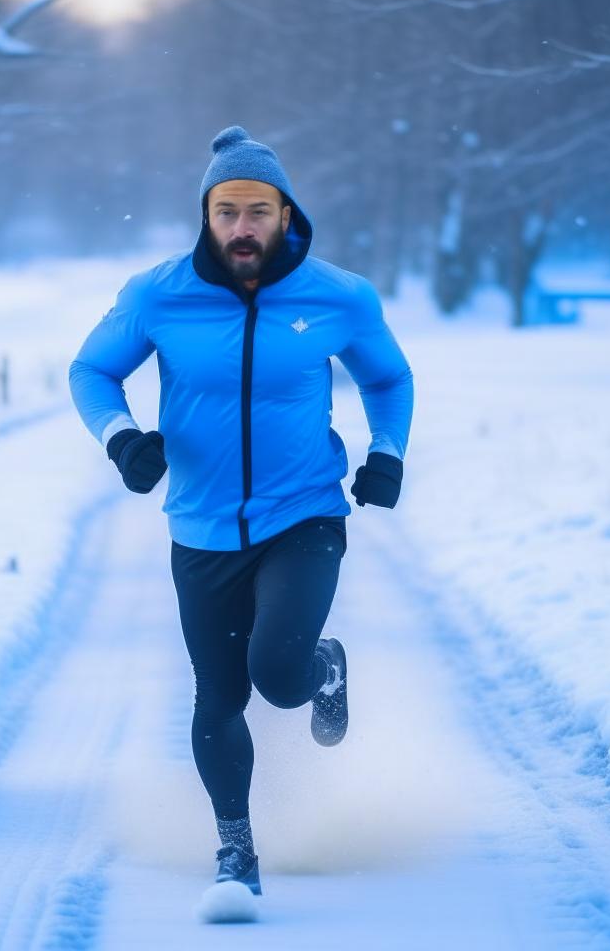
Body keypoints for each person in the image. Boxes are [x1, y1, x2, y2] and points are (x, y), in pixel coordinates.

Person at [69, 125, 413, 897]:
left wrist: (386, 450)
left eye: (258, 210)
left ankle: (322, 665)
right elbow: (91, 369)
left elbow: (389, 379)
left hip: (305, 517)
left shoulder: (339, 295)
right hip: (200, 526)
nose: (242, 227)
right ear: (206, 216)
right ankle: (236, 854)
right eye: (226, 212)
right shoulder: (157, 294)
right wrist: (123, 439)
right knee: (220, 696)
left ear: (287, 214)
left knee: (277, 677)